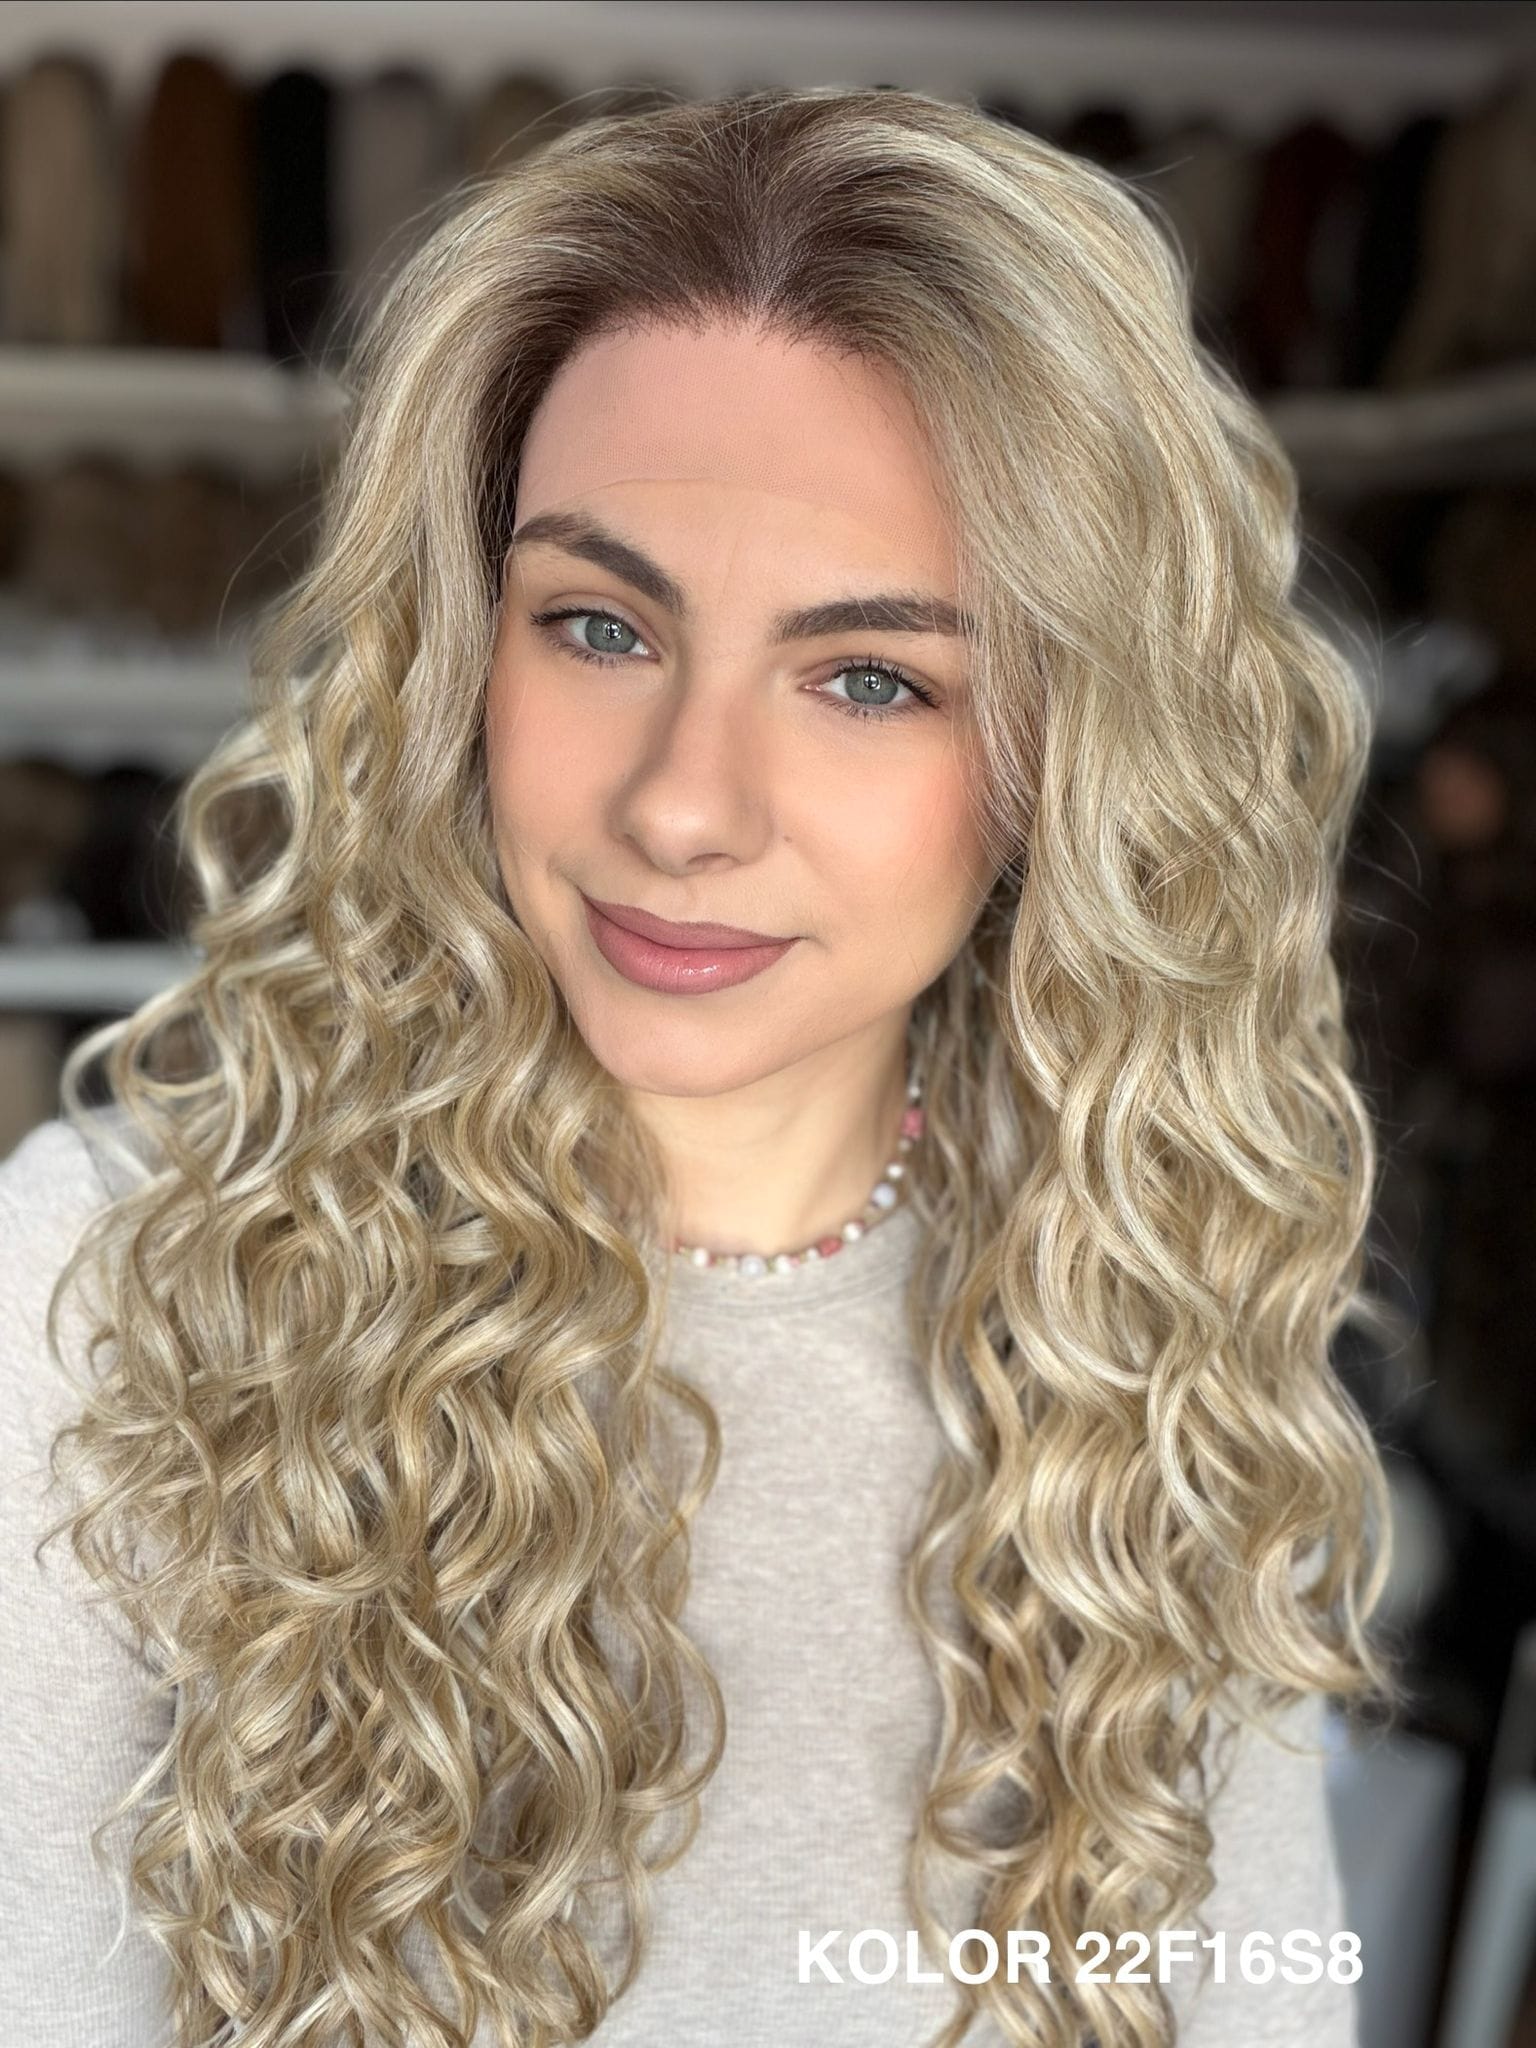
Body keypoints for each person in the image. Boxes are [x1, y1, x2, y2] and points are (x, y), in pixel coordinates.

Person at [0, 85, 1395, 2048]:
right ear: (457, 654)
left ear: (1068, 758)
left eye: (869, 678)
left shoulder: (1147, 1342)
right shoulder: (113, 1288)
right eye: (597, 625)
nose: (681, 806)